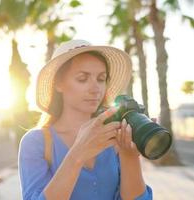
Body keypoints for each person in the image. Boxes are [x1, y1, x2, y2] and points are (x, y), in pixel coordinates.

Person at [18, 39, 153, 200]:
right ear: (58, 84)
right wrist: (78, 153)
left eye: (101, 79)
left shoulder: (115, 135)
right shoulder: (36, 142)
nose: (96, 88)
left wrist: (129, 156)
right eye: (82, 79)